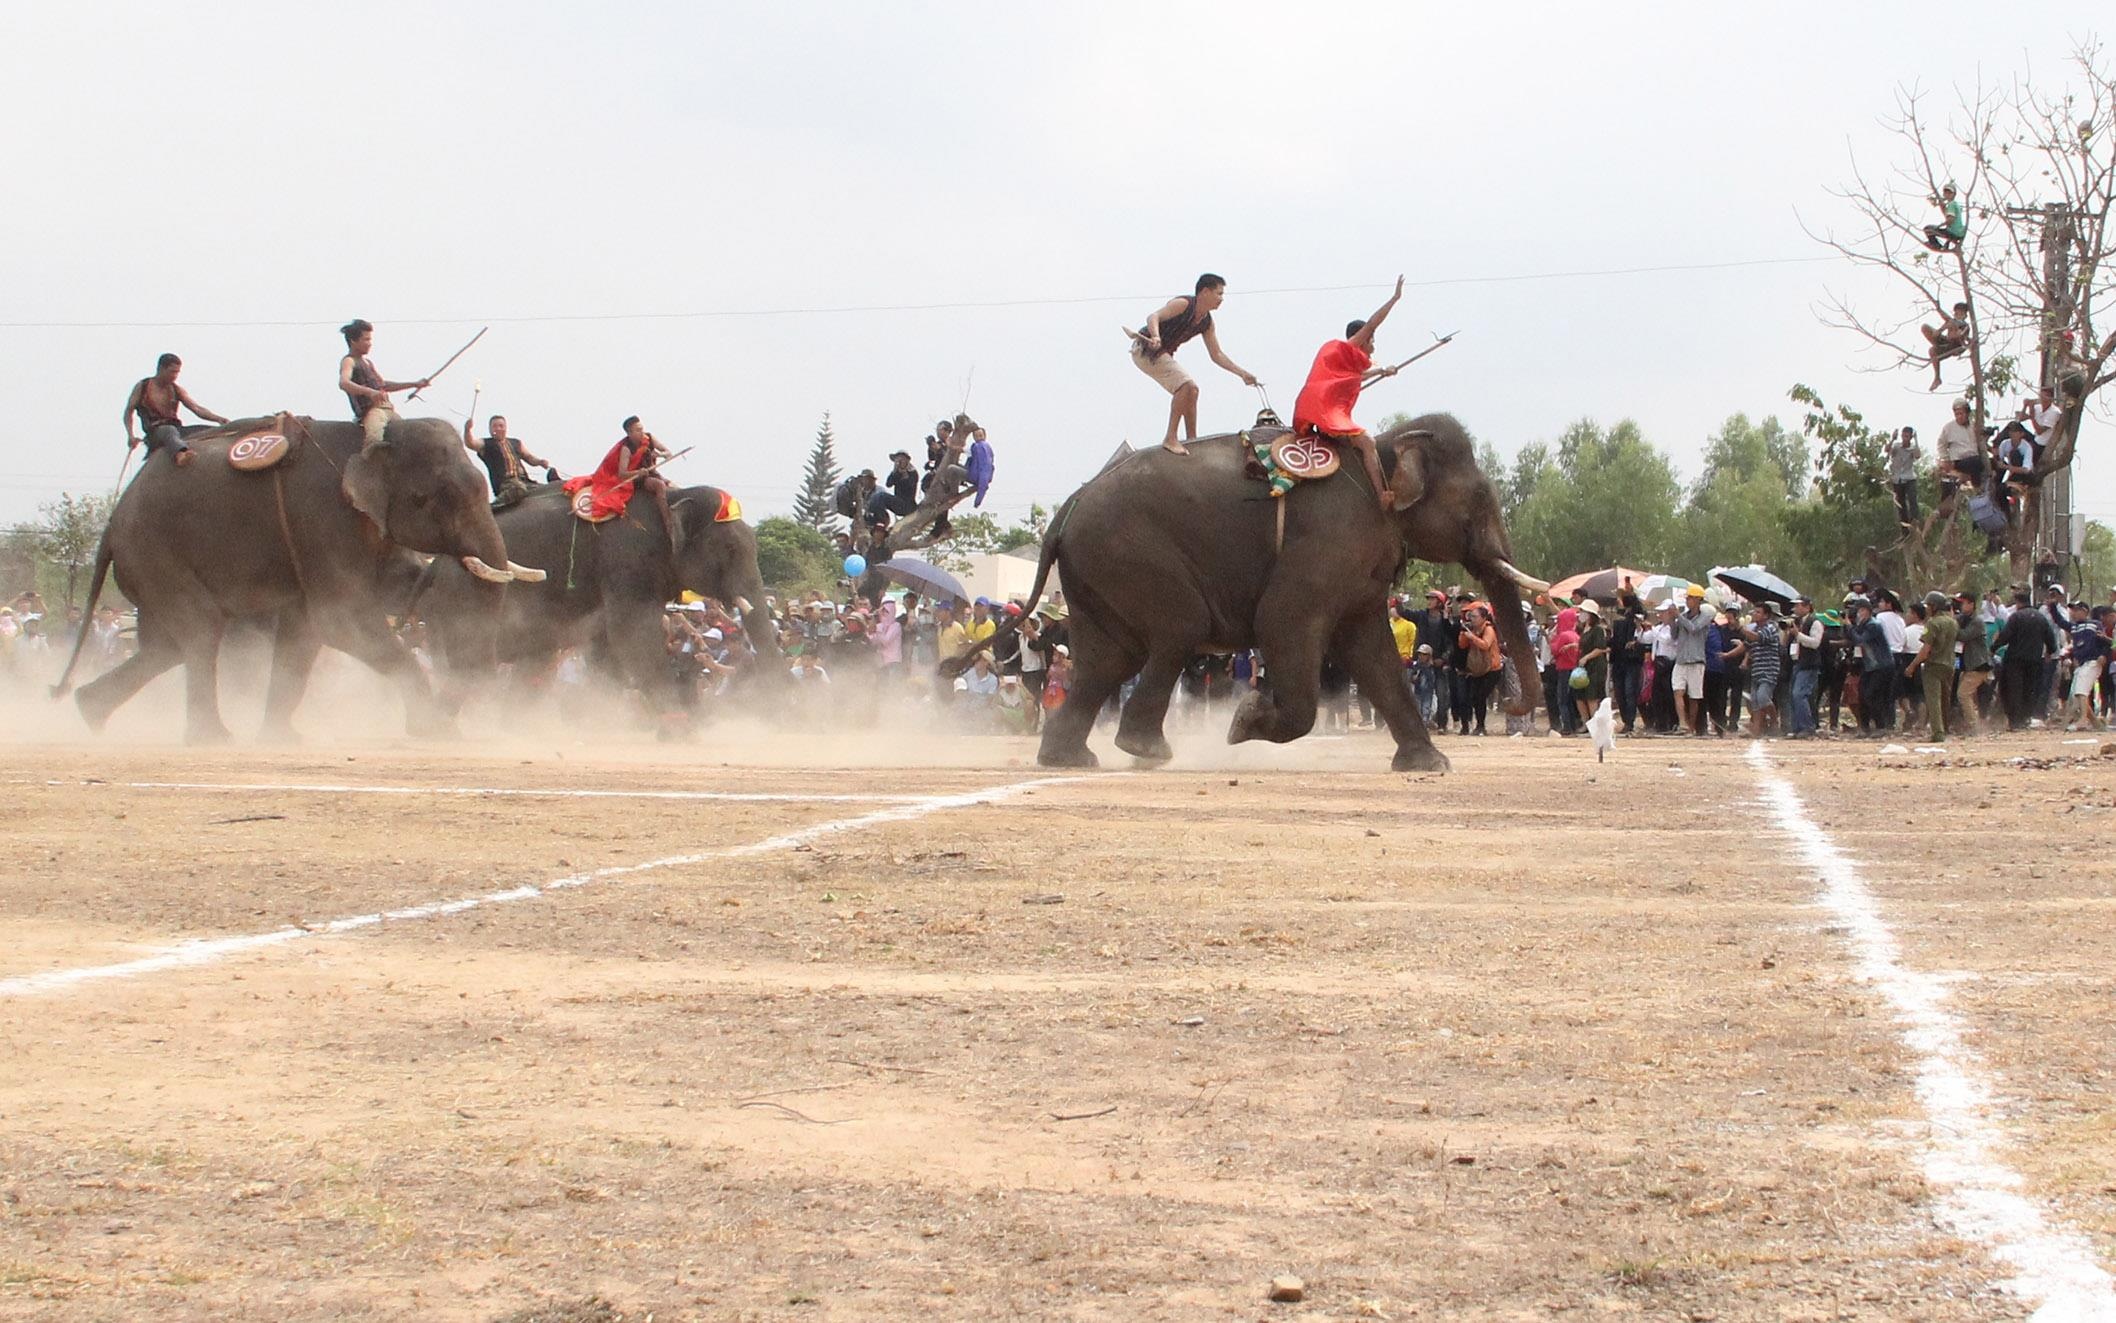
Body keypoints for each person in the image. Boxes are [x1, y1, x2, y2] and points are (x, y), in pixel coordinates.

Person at [1290, 276, 1406, 510]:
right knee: (1368, 443)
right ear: (1364, 338)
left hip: (1312, 408)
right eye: (1371, 340)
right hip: (1324, 412)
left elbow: (1355, 378)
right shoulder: (1346, 348)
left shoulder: (1341, 360)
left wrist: (1382, 371)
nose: (1373, 346)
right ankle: (1381, 495)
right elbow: (1372, 323)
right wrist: (1394, 299)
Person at [1128, 274, 1261, 455]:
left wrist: (1242, 373)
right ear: (1205, 292)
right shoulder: (1184, 304)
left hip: (1161, 354)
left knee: (1192, 391)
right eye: (1219, 293)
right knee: (1186, 386)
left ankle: (1192, 440)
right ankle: (1171, 438)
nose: (1221, 299)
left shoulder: (1206, 322)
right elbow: (1153, 317)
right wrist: (1156, 336)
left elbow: (1217, 354)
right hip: (1145, 350)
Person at [564, 417, 680, 558]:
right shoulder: (627, 449)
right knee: (659, 485)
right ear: (630, 433)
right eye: (638, 430)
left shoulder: (649, 438)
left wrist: (660, 454)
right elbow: (622, 473)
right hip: (637, 479)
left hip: (652, 472)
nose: (641, 432)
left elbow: (668, 452)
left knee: (673, 485)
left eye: (641, 428)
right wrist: (638, 473)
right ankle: (667, 521)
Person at [123, 354, 227, 468]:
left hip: (177, 430)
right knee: (168, 430)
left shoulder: (175, 389)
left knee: (209, 430)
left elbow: (196, 408)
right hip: (155, 433)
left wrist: (218, 419)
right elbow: (128, 412)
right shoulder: (143, 387)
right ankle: (180, 454)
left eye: (177, 372)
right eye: (172, 372)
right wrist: (131, 435)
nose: (175, 376)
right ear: (161, 369)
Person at [338, 320, 430, 446]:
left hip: (388, 410)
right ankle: (369, 453)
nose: (370, 344)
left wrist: (414, 384)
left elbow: (383, 385)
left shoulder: (368, 363)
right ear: (353, 341)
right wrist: (370, 392)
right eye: (366, 340)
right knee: (375, 438)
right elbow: (344, 383)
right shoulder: (349, 361)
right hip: (371, 411)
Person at [463, 415, 553, 508]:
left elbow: (529, 457)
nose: (498, 429)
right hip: (506, 484)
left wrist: (540, 462)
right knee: (518, 489)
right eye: (495, 426)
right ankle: (492, 507)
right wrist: (467, 430)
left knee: (546, 490)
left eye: (501, 426)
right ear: (490, 429)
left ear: (505, 428)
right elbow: (471, 443)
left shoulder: (516, 443)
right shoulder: (486, 443)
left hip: (525, 481)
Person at [1993, 590, 2052, 730]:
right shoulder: (2041, 618)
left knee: (2013, 689)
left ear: (2018, 602)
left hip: (2015, 660)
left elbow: (2005, 636)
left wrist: (1993, 648)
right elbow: (2050, 638)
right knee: (2029, 689)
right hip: (2034, 660)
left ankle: (2015, 721)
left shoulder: (2016, 617)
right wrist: (2049, 652)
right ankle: (2026, 718)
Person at [1903, 595, 1958, 741]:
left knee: (1933, 700)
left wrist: (1912, 666)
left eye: (1928, 606)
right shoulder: (1953, 622)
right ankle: (1945, 728)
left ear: (1934, 606)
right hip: (1949, 664)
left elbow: (1926, 649)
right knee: (1945, 699)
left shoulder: (1932, 623)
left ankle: (1937, 733)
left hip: (1933, 665)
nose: (1926, 609)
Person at [1671, 586, 1712, 736]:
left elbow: (1693, 628)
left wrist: (1679, 617)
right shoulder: (1682, 616)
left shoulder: (1705, 616)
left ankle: (1691, 726)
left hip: (1696, 660)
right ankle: (1682, 722)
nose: (1687, 601)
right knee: (1678, 690)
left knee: (1694, 696)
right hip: (1681, 659)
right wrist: (1672, 620)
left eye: (1689, 598)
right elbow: (1674, 635)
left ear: (1697, 600)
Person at [2064, 600, 2110, 731]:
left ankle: (2083, 719)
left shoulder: (2094, 624)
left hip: (2093, 661)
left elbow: (2103, 641)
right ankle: (2097, 724)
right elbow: (2060, 621)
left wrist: (2103, 654)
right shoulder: (2074, 627)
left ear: (2084, 611)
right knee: (2078, 694)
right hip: (2082, 663)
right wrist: (2052, 606)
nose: (2073, 613)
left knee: (2081, 691)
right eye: (2072, 610)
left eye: (2076, 610)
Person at [1741, 605, 1783, 737]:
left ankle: (1774, 721)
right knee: (1755, 702)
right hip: (1756, 669)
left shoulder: (1770, 628)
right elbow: (1746, 646)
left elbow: (1757, 638)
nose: (1754, 614)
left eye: (1758, 612)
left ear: (1766, 615)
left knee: (1763, 698)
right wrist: (1727, 655)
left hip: (1769, 669)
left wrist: (1740, 628)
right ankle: (1757, 730)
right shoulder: (1754, 629)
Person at [1785, 598, 1823, 737]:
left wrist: (1798, 635)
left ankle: (1807, 727)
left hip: (1809, 664)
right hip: (1797, 662)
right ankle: (1797, 728)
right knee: (1792, 695)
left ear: (1807, 607)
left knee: (1799, 694)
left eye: (1798, 605)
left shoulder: (1815, 622)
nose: (1795, 608)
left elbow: (1815, 643)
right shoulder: (1798, 622)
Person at [1573, 599, 1610, 732]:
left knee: (1591, 696)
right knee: (1579, 695)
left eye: (1583, 611)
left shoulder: (1598, 630)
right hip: (1583, 666)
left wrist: (1586, 657)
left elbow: (1600, 648)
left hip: (1595, 666)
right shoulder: (1583, 629)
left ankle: (1594, 725)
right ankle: (1586, 723)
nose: (1581, 613)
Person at [1935, 398, 1984, 494]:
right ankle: (1976, 487)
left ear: (1967, 413)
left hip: (1975, 458)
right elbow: (1941, 444)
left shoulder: (1973, 426)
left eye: (1961, 414)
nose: (1959, 417)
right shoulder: (1949, 427)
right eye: (1957, 414)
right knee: (1976, 462)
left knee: (1990, 463)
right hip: (1959, 461)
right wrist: (1945, 459)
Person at [1921, 302, 1970, 389]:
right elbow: (1944, 317)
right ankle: (1937, 349)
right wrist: (1940, 330)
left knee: (1932, 350)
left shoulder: (1965, 326)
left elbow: (1961, 337)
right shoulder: (1951, 321)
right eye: (1957, 313)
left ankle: (1937, 378)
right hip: (1947, 342)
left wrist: (1959, 334)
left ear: (1965, 315)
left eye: (1961, 313)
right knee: (1925, 327)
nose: (1958, 315)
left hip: (1956, 346)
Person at [869, 450, 920, 525]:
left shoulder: (912, 472)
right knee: (875, 499)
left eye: (901, 460)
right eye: (897, 460)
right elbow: (888, 484)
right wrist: (895, 472)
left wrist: (904, 475)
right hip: (899, 503)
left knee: (881, 496)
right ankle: (877, 520)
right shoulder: (896, 473)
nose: (899, 462)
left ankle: (882, 521)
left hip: (908, 506)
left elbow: (910, 485)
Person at [1887, 427, 1921, 526]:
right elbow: (1887, 450)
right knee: (1901, 505)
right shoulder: (1897, 446)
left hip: (1909, 478)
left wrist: (1916, 439)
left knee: (1912, 500)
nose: (1904, 438)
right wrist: (1892, 439)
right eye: (1903, 436)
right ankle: (1905, 529)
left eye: (1907, 436)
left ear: (1910, 437)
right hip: (1897, 479)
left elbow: (1918, 455)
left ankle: (1914, 522)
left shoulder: (1913, 448)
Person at [1922, 183, 1967, 252]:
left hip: (1953, 233)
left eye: (1950, 193)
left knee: (1927, 229)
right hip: (1959, 233)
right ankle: (1947, 243)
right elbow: (1947, 213)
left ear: (1954, 194)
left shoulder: (1951, 204)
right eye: (1946, 192)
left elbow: (1950, 220)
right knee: (1945, 229)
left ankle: (1936, 245)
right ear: (1944, 194)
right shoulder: (1956, 205)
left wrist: (1939, 226)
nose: (1948, 194)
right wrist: (1942, 204)